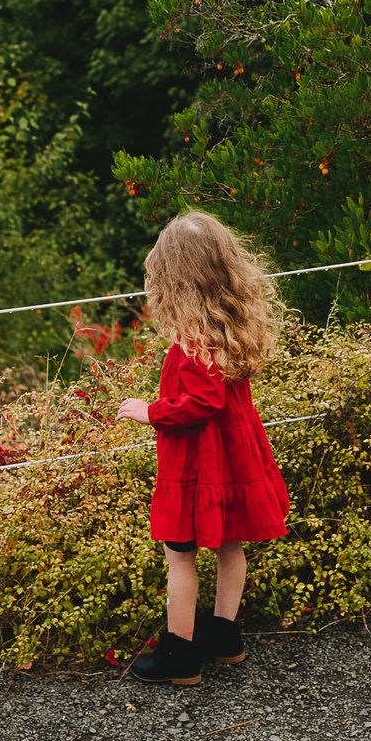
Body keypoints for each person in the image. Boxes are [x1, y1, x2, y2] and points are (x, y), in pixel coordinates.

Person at [114, 210, 290, 686]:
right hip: (232, 458)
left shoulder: (193, 339)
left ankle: (180, 654)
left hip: (199, 463)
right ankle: (224, 637)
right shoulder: (231, 324)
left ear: (174, 278)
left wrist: (151, 411)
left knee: (181, 554)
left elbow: (203, 401)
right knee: (230, 544)